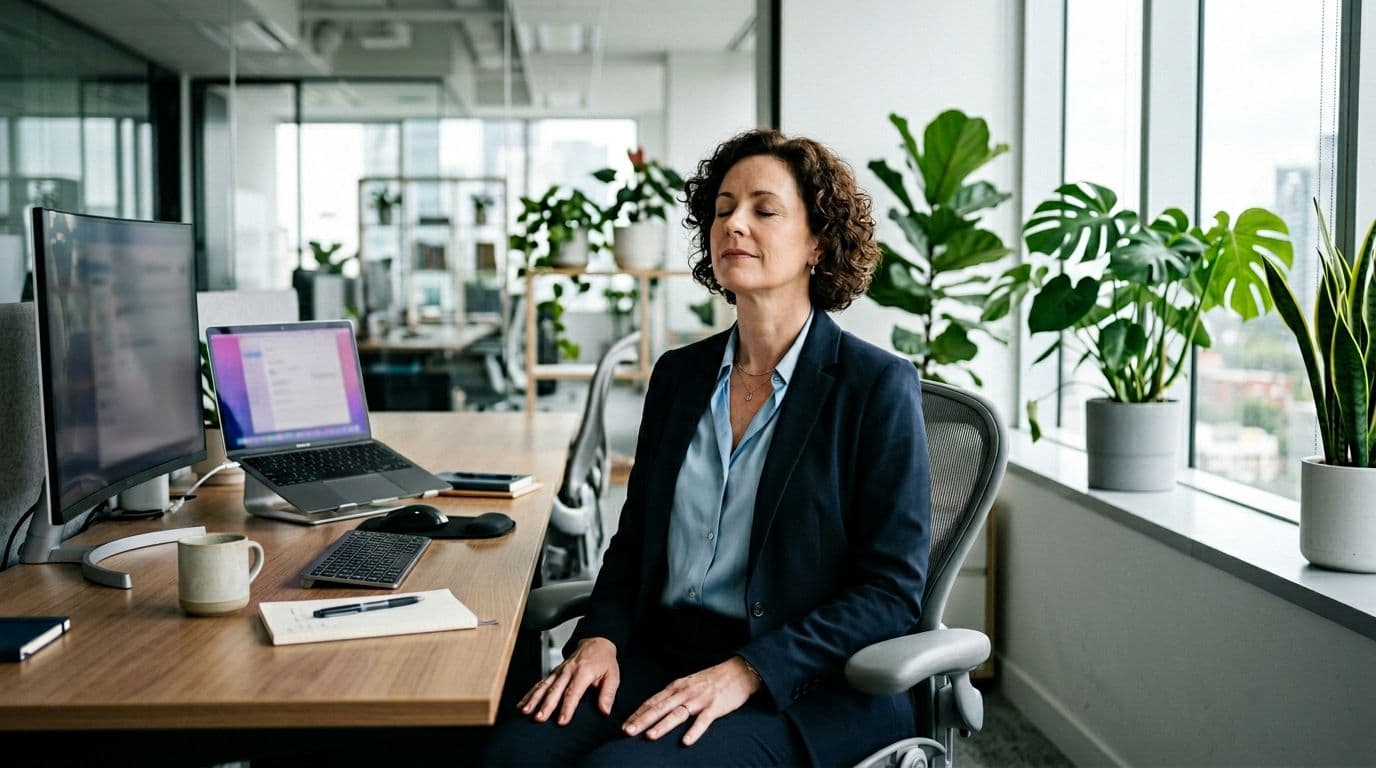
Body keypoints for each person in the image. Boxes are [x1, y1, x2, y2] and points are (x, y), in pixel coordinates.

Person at [483, 129, 932, 767]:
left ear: (818, 240)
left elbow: (888, 592)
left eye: (763, 210)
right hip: (664, 653)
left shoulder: (876, 387)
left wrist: (750, 669)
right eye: (722, 210)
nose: (734, 225)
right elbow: (634, 541)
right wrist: (603, 636)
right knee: (514, 754)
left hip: (799, 685)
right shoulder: (679, 376)